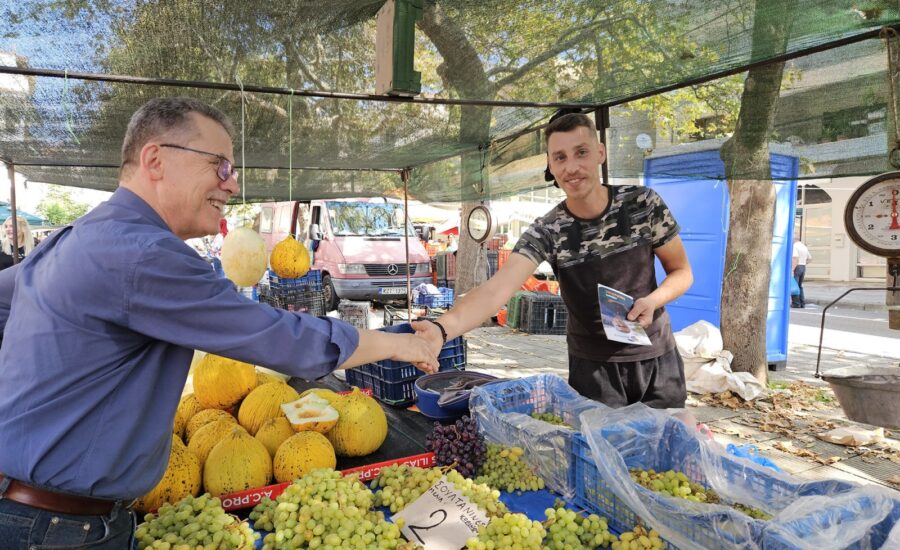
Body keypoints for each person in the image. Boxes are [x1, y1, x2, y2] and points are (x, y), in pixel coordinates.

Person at [0, 97, 438, 548]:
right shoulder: (145, 254)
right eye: (221, 167)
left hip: (34, 512)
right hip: (57, 529)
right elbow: (279, 338)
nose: (232, 185)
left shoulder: (79, 238)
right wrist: (397, 343)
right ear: (155, 159)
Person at [415, 112, 693, 409]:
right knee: (602, 452)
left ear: (600, 153)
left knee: (669, 447)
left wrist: (653, 301)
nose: (571, 167)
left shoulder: (643, 204)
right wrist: (441, 329)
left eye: (581, 152)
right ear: (550, 165)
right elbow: (497, 288)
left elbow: (682, 272)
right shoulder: (549, 229)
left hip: (657, 359)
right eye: (559, 157)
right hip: (594, 370)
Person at [791, 235, 811, 308]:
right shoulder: (803, 246)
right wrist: (803, 263)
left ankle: (796, 303)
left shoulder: (794, 246)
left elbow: (795, 258)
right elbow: (810, 258)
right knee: (800, 286)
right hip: (803, 266)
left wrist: (792, 269)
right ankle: (802, 303)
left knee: (794, 285)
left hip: (796, 266)